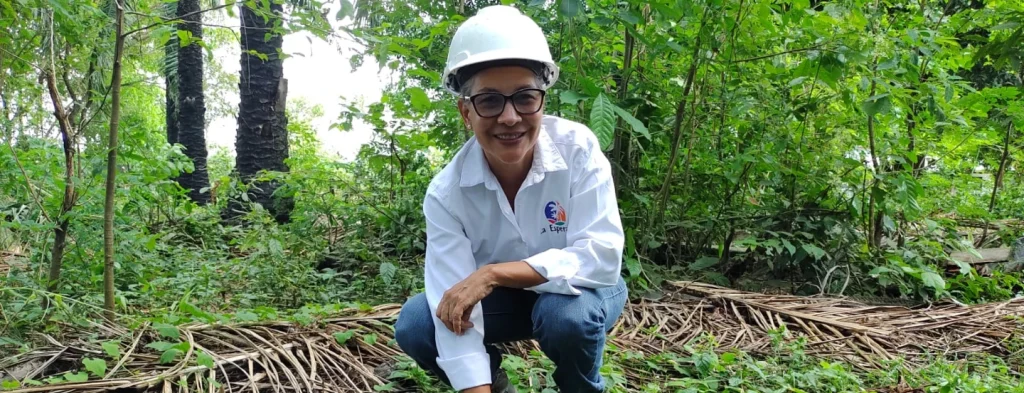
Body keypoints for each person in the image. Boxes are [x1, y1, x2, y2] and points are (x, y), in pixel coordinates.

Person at [393, 5, 628, 393]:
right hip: (506, 303)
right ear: (465, 112)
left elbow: (600, 258)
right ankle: (496, 383)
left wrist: (493, 273)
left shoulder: (578, 150)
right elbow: (453, 310)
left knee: (567, 315)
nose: (509, 117)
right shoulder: (447, 194)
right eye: (489, 101)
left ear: (542, 102)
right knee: (419, 322)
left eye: (524, 97)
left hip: (584, 292)